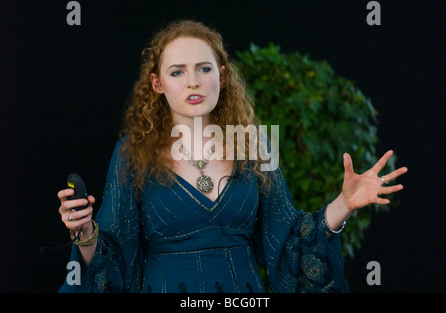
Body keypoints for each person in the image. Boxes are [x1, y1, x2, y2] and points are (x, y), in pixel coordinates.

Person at [57, 20, 407, 293]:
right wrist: (84, 230)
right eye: (177, 72)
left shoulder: (255, 145)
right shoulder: (131, 152)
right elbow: (114, 262)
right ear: (157, 84)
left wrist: (343, 204)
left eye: (204, 68)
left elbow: (289, 243)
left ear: (222, 76)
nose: (192, 81)